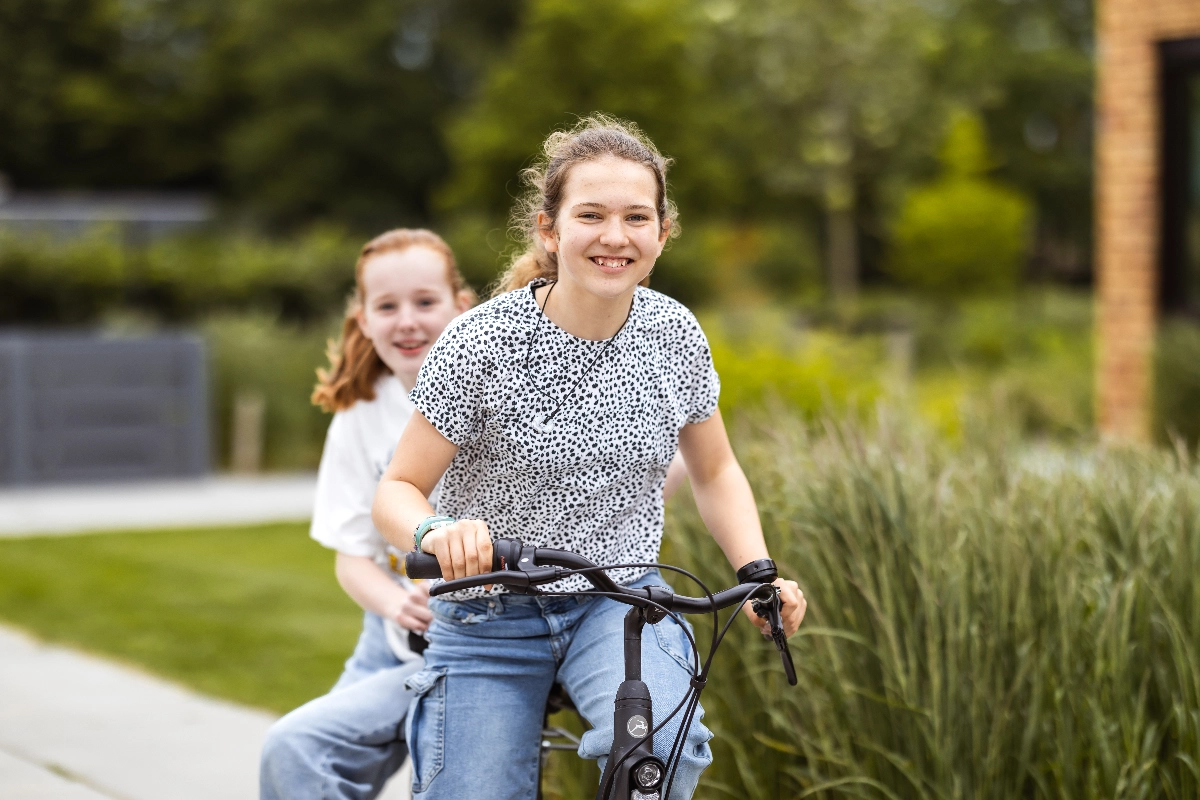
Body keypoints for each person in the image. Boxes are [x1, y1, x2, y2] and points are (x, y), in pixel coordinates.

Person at [372, 116, 807, 800]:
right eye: (592, 214)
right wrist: (437, 532)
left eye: (637, 216)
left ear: (662, 233)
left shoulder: (675, 336)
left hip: (619, 604)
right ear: (550, 230)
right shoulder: (478, 344)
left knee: (659, 754)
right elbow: (398, 488)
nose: (614, 236)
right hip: (488, 611)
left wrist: (758, 573)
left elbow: (715, 470)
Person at [260, 229, 475, 800]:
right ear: (362, 319)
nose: (407, 321)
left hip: (479, 637)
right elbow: (352, 556)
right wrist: (395, 604)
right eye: (387, 306)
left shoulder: (496, 386)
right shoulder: (361, 413)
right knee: (297, 753)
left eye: (425, 302)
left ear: (462, 305)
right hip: (390, 636)